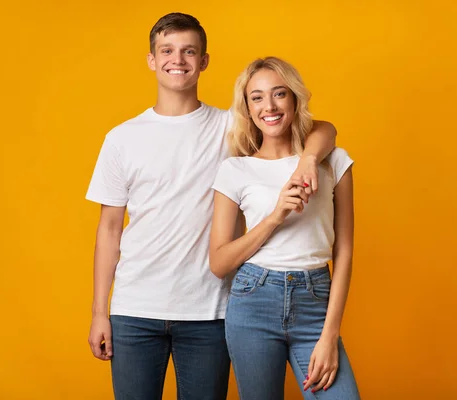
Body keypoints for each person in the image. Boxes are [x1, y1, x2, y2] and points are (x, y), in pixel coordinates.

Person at [85, 13, 338, 400]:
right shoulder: (122, 139)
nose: (178, 60)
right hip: (134, 310)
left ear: (204, 61)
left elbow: (322, 129)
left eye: (190, 51)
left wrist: (307, 161)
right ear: (151, 59)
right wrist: (99, 312)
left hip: (210, 311)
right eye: (167, 51)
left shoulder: (232, 129)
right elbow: (109, 229)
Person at [209, 56, 360, 399]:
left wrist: (329, 335)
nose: (270, 106)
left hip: (315, 301)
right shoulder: (235, 170)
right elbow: (219, 263)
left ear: (294, 99)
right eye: (257, 97)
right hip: (253, 301)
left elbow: (345, 251)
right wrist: (276, 215)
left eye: (279, 94)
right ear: (247, 108)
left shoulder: (332, 160)